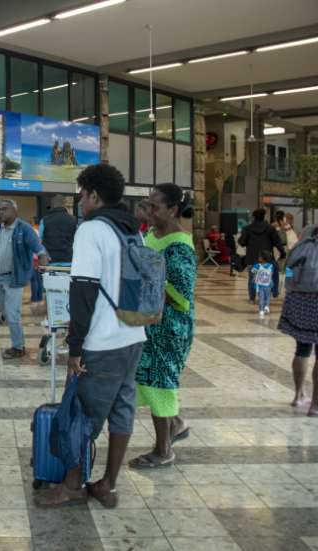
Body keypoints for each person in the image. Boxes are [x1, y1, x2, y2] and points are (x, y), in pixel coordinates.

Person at [35, 164, 146, 508]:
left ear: (94, 195)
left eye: (82, 194)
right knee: (123, 409)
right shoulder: (131, 230)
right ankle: (107, 484)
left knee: (81, 413)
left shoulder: (92, 230)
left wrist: (75, 349)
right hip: (133, 335)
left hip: (103, 341)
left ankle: (72, 485)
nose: (80, 201)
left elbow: (83, 293)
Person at [129, 183, 196, 469]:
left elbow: (181, 292)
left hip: (169, 327)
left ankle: (163, 450)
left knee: (160, 382)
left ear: (172, 209)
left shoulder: (180, 244)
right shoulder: (151, 236)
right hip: (148, 323)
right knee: (147, 378)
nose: (149, 211)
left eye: (156, 206)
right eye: (149, 204)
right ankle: (177, 423)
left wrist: (144, 277)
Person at [0, 199, 48, 359]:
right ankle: (16, 340)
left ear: (15, 212)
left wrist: (43, 265)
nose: (1, 212)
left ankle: (18, 347)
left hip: (14, 278)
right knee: (4, 311)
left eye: (5, 209)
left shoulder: (24, 229)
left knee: (13, 314)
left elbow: (40, 250)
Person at [278, 224, 318, 416]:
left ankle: (298, 395)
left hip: (299, 299)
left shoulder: (308, 231)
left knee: (302, 349)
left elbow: (291, 267)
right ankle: (315, 406)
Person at [239, 208, 285, 302]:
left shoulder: (247, 228)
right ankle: (273, 293)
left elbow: (242, 242)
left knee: (252, 278)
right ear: (264, 216)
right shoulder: (270, 228)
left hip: (252, 258)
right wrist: (283, 253)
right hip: (266, 259)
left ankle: (252, 298)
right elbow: (277, 242)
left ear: (253, 217)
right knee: (272, 273)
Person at [40, 194, 77, 264]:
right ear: (64, 204)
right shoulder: (73, 220)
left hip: (50, 262)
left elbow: (39, 242)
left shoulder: (44, 220)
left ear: (52, 205)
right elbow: (77, 241)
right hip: (68, 261)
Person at [251, 250, 275, 317]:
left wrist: (253, 279)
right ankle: (267, 306)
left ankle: (261, 310)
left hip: (259, 285)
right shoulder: (271, 266)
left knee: (261, 297)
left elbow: (253, 273)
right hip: (268, 284)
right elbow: (271, 274)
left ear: (262, 258)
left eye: (259, 257)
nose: (258, 258)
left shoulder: (257, 266)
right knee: (267, 296)